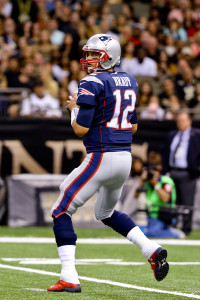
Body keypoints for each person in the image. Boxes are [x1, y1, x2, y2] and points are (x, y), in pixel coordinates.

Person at [47, 34, 169, 293]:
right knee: (106, 213)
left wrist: (73, 109)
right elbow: (133, 126)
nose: (89, 59)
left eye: (94, 54)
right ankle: (150, 248)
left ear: (109, 56)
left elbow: (80, 129)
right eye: (88, 54)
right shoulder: (131, 80)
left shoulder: (91, 82)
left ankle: (69, 275)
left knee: (60, 210)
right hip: (125, 156)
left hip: (101, 155)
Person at [162, 111, 200, 235]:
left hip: (188, 173)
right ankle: (171, 226)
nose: (181, 123)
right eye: (179, 120)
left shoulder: (196, 135)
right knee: (171, 200)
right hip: (172, 172)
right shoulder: (172, 134)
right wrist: (166, 170)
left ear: (189, 121)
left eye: (183, 120)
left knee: (187, 202)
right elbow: (165, 153)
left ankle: (186, 229)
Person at [135, 163, 185, 238]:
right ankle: (163, 229)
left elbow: (166, 199)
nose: (155, 174)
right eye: (152, 171)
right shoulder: (147, 182)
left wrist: (156, 185)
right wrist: (141, 181)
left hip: (164, 214)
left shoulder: (165, 181)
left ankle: (174, 233)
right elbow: (136, 195)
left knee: (152, 233)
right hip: (150, 214)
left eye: (156, 171)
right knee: (139, 233)